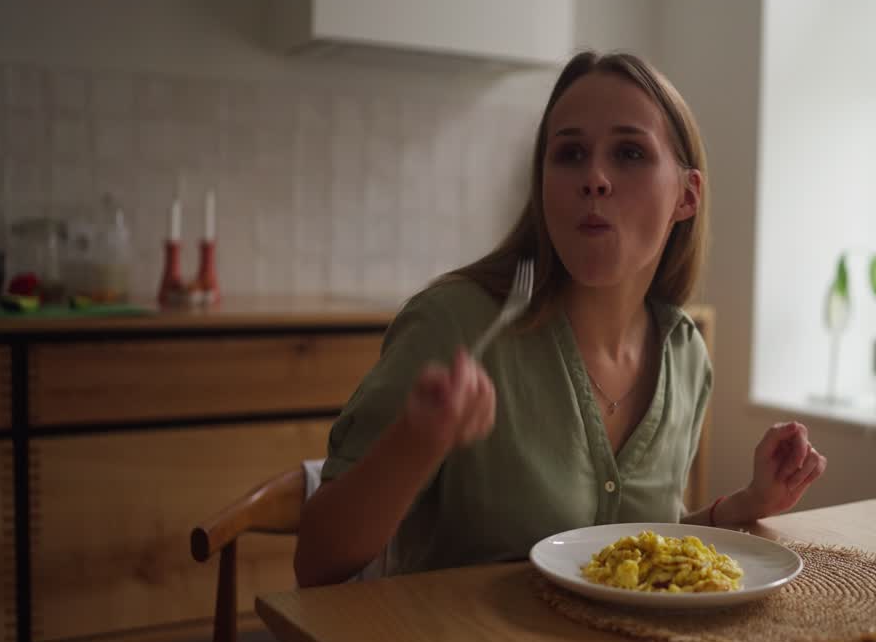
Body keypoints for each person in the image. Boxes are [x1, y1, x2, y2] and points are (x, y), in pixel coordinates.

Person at [294, 51, 827, 588]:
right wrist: (414, 442)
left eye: (629, 153)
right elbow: (317, 561)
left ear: (686, 196)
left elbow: (628, 553)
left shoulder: (687, 356)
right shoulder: (456, 325)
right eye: (570, 153)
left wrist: (746, 505)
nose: (594, 177)